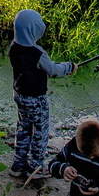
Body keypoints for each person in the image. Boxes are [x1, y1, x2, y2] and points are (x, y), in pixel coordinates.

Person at [9, 9, 77, 182]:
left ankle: (18, 165)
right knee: (40, 132)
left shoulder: (13, 47)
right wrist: (69, 67)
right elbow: (53, 70)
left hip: (20, 96)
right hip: (36, 99)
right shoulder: (38, 53)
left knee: (23, 128)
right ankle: (36, 167)